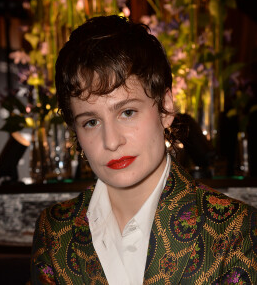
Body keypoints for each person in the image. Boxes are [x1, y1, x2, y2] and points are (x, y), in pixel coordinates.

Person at [30, 15, 257, 284]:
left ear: (166, 108)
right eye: (91, 122)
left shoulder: (237, 229)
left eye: (127, 112)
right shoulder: (55, 230)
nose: (111, 141)